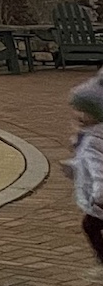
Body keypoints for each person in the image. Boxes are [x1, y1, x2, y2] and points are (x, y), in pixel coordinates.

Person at [66, 73, 103, 261]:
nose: (78, 115)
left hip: (101, 199)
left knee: (90, 226)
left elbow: (98, 168)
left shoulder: (94, 139)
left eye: (84, 111)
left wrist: (98, 195)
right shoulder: (91, 135)